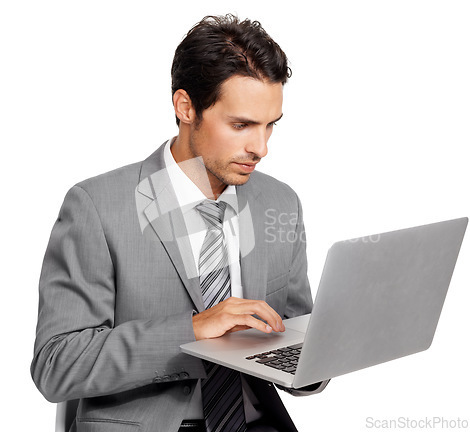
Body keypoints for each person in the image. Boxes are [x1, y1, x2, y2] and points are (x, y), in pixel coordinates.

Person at [31, 14, 328, 432]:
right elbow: (57, 364)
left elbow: (298, 337)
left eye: (270, 126)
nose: (260, 148)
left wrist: (331, 350)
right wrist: (192, 331)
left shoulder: (280, 201)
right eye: (241, 125)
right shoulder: (97, 207)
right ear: (186, 107)